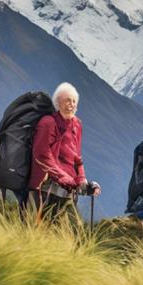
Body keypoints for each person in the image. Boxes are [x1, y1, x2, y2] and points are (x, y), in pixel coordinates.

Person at [27, 82, 100, 225]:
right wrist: (65, 179)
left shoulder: (77, 124)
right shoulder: (47, 123)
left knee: (76, 229)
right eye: (67, 100)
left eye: (74, 101)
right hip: (45, 187)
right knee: (42, 228)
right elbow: (42, 155)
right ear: (58, 102)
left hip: (67, 189)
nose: (71, 104)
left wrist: (82, 180)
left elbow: (77, 157)